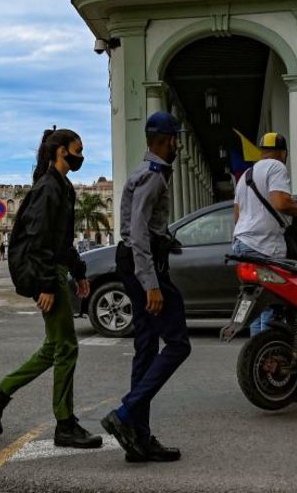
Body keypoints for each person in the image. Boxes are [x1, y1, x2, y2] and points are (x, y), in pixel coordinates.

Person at [0, 128, 102, 450]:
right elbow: (39, 240)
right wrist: (47, 284)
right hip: (49, 276)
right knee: (67, 348)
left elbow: (62, 238)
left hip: (58, 271)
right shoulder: (48, 188)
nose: (80, 156)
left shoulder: (62, 187)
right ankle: (65, 424)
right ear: (61, 151)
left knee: (53, 348)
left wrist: (79, 271)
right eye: (77, 149)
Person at [101, 112, 189, 463]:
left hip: (139, 259)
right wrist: (150, 283)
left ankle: (138, 438)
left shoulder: (148, 173)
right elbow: (138, 232)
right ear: (168, 140)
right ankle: (125, 415)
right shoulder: (153, 178)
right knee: (178, 343)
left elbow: (146, 228)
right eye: (176, 139)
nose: (178, 145)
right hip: (143, 265)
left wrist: (167, 239)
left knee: (146, 346)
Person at [231, 132, 297, 335]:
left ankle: (256, 355)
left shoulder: (246, 175)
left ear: (262, 152)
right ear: (283, 153)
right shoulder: (276, 166)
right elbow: (280, 202)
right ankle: (268, 355)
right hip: (264, 245)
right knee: (271, 304)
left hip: (242, 244)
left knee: (254, 303)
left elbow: (237, 216)